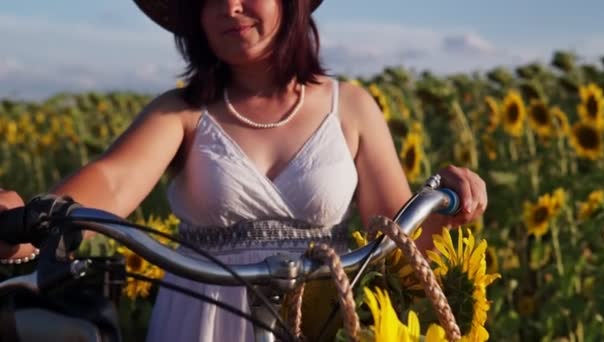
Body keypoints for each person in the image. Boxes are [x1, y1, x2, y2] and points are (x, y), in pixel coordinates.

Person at [0, 0, 488, 340]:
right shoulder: (182, 113)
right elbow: (113, 181)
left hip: (321, 315)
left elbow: (395, 242)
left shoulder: (353, 106)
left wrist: (446, 205)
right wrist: (25, 226)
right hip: (202, 321)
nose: (230, 5)